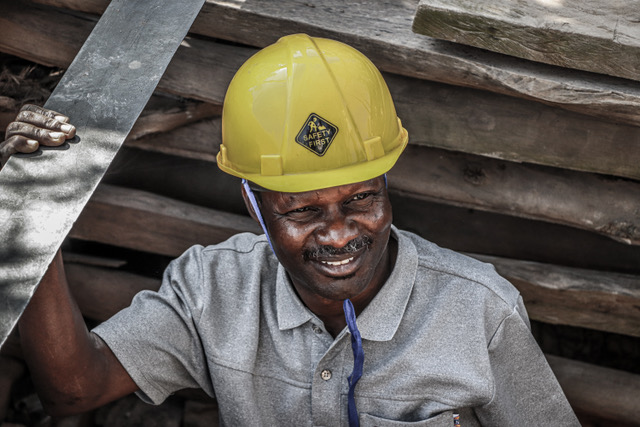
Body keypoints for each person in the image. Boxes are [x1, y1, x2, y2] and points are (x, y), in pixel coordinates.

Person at [2, 34, 580, 426]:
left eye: (360, 199)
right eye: (301, 211)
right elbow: (74, 387)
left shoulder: (479, 310)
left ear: (386, 185)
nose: (338, 234)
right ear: (254, 204)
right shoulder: (211, 290)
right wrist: (30, 220)